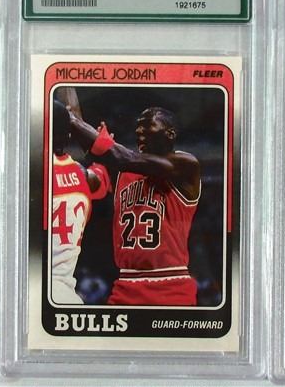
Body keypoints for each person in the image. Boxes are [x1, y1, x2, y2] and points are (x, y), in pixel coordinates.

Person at [69, 105, 201, 305]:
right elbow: (104, 157)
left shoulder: (185, 164)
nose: (139, 131)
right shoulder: (122, 169)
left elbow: (122, 157)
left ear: (170, 134)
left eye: (147, 125)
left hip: (171, 286)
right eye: (138, 126)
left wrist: (72, 121)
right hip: (125, 285)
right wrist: (73, 120)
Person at [50, 100, 110, 304]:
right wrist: (98, 142)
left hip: (34, 290)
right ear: (68, 136)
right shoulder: (83, 174)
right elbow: (101, 169)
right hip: (66, 295)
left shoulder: (31, 176)